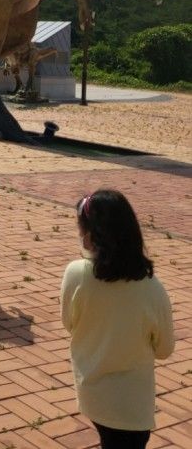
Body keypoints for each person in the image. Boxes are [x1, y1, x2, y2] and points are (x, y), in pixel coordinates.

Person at [60, 189, 174, 449]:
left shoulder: (75, 274)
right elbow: (165, 349)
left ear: (89, 236)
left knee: (107, 438)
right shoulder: (152, 289)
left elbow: (69, 323)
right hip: (132, 406)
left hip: (92, 391)